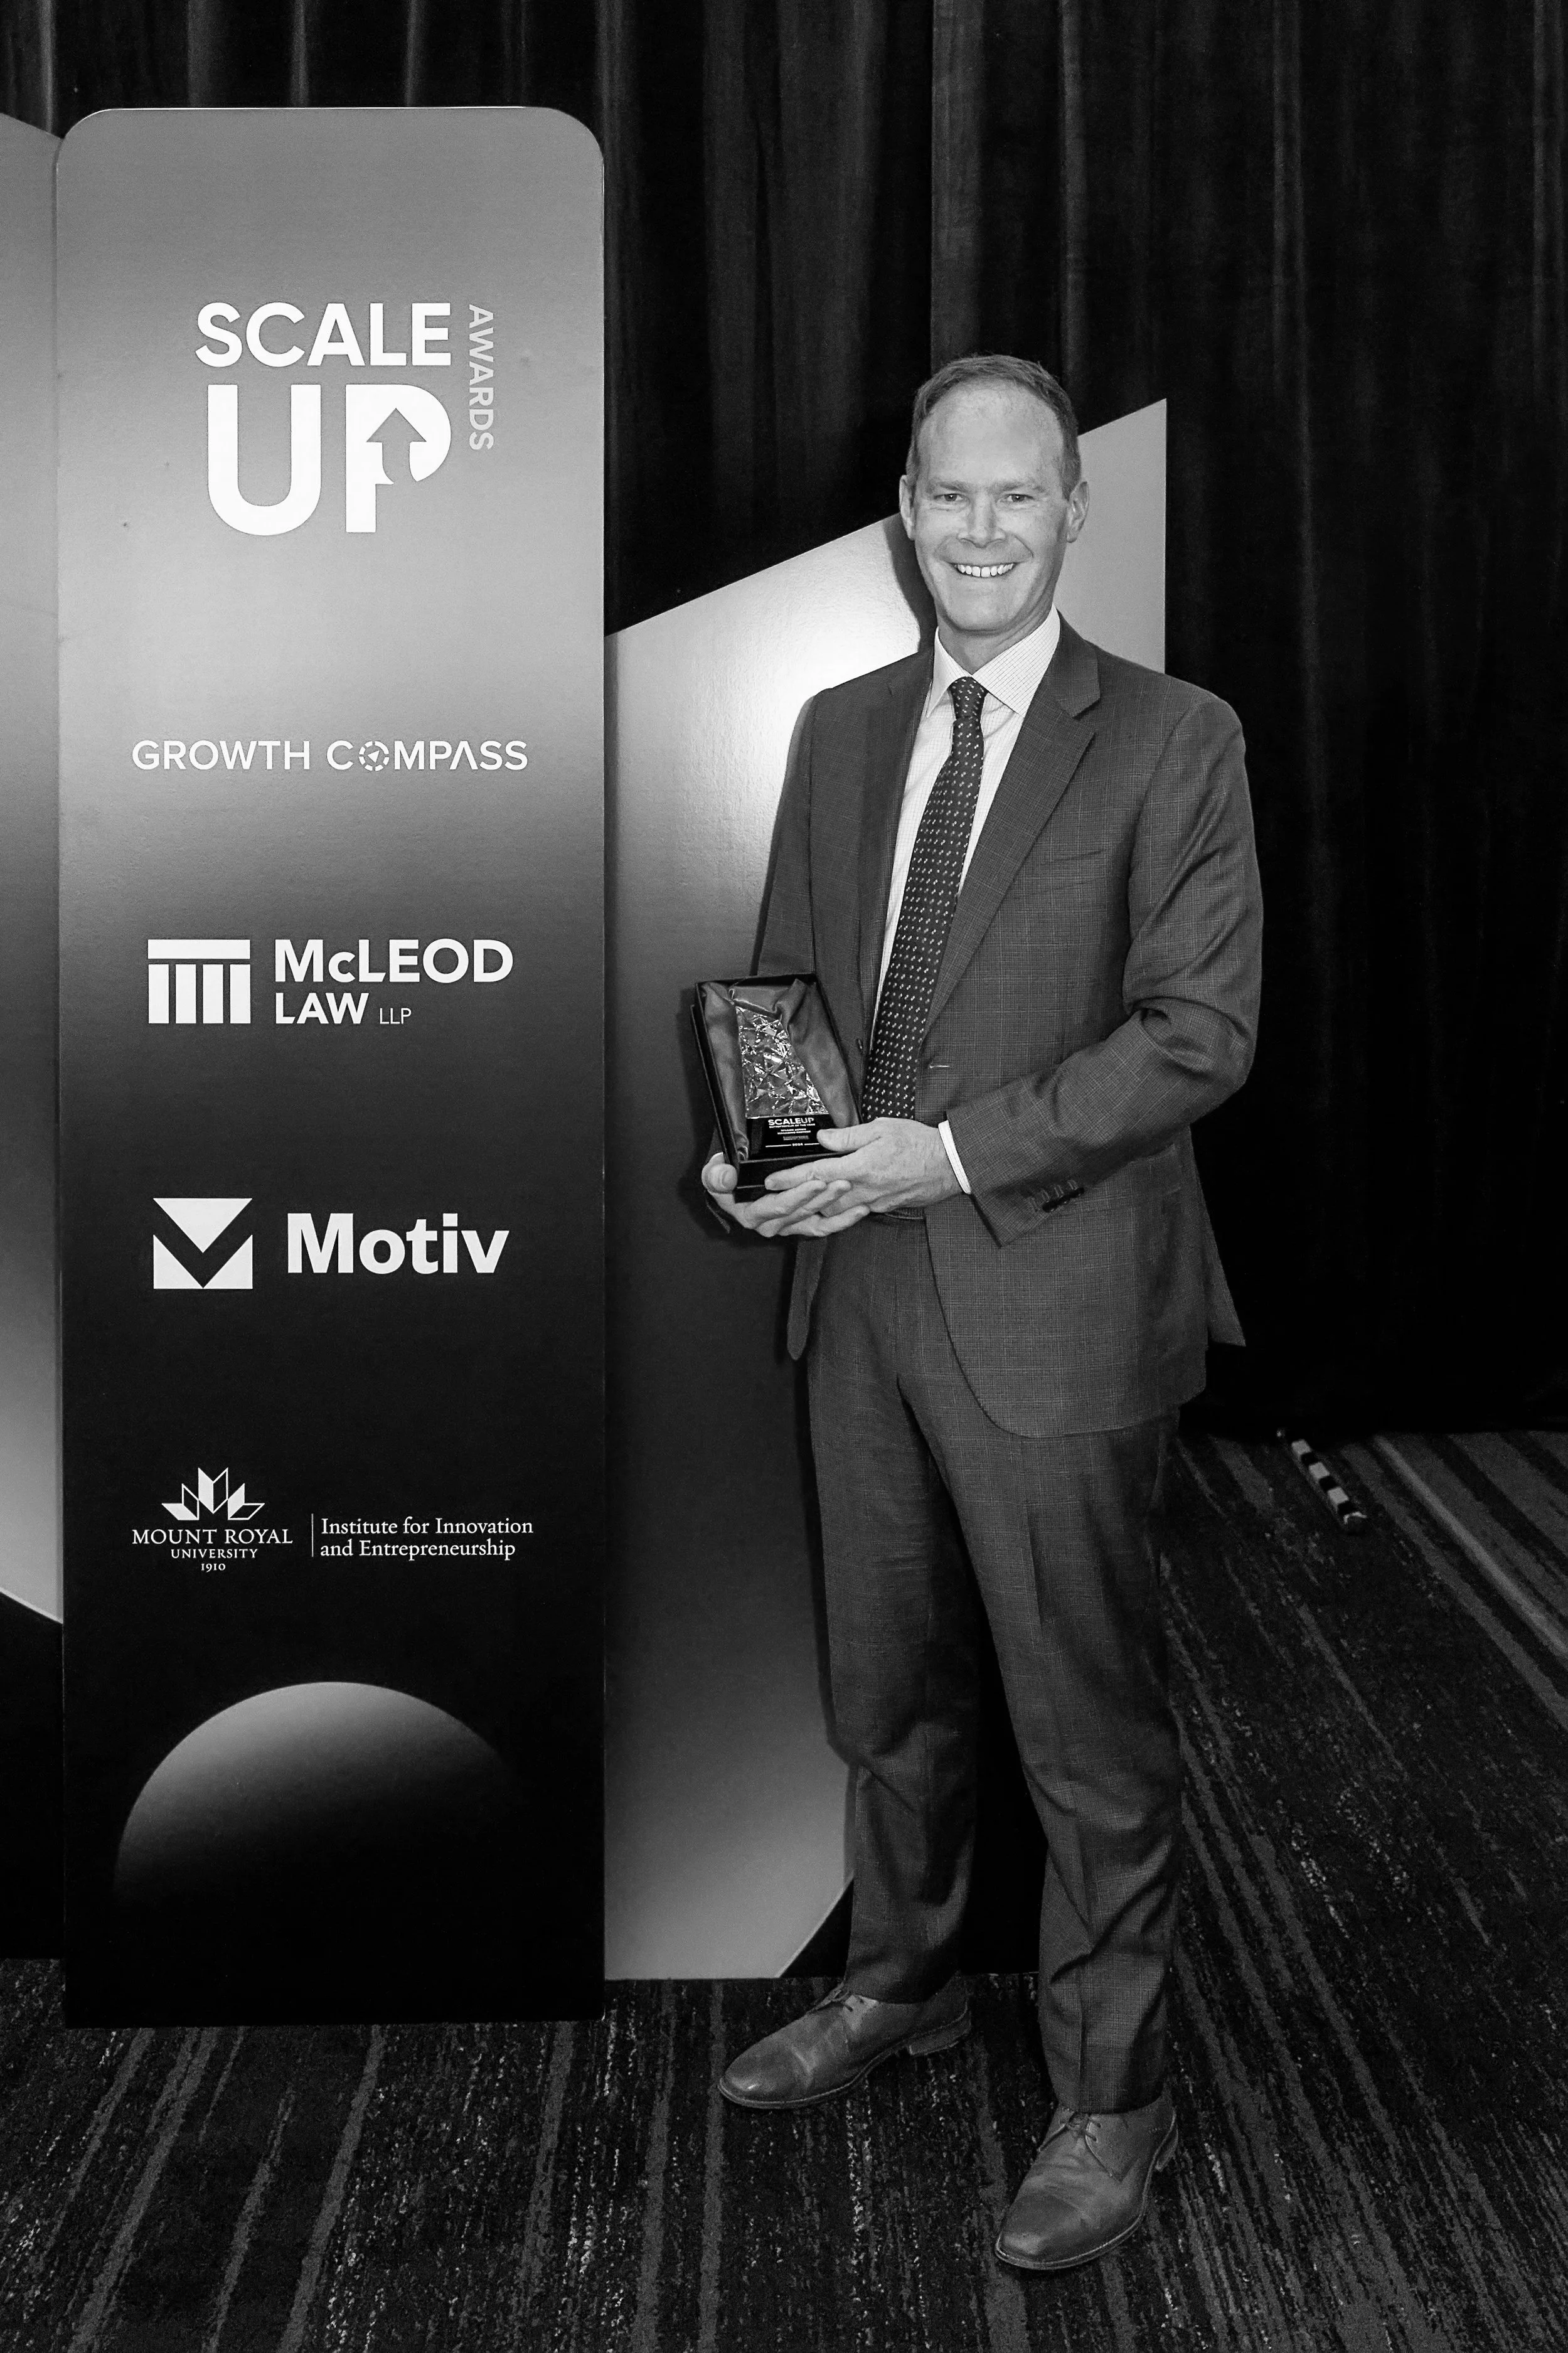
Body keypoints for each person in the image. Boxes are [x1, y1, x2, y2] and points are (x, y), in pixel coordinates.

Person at [701, 352, 1262, 2272]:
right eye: (950, 495)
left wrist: (933, 1153)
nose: (981, 528)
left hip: (1061, 1305)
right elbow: (785, 991)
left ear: (1071, 512)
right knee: (889, 1686)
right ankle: (906, 1981)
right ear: (905, 516)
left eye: (1017, 496)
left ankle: (1119, 2095)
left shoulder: (1174, 739)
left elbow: (1198, 1034)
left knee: (1084, 1722)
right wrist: (760, 1157)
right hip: (857, 1294)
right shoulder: (844, 728)